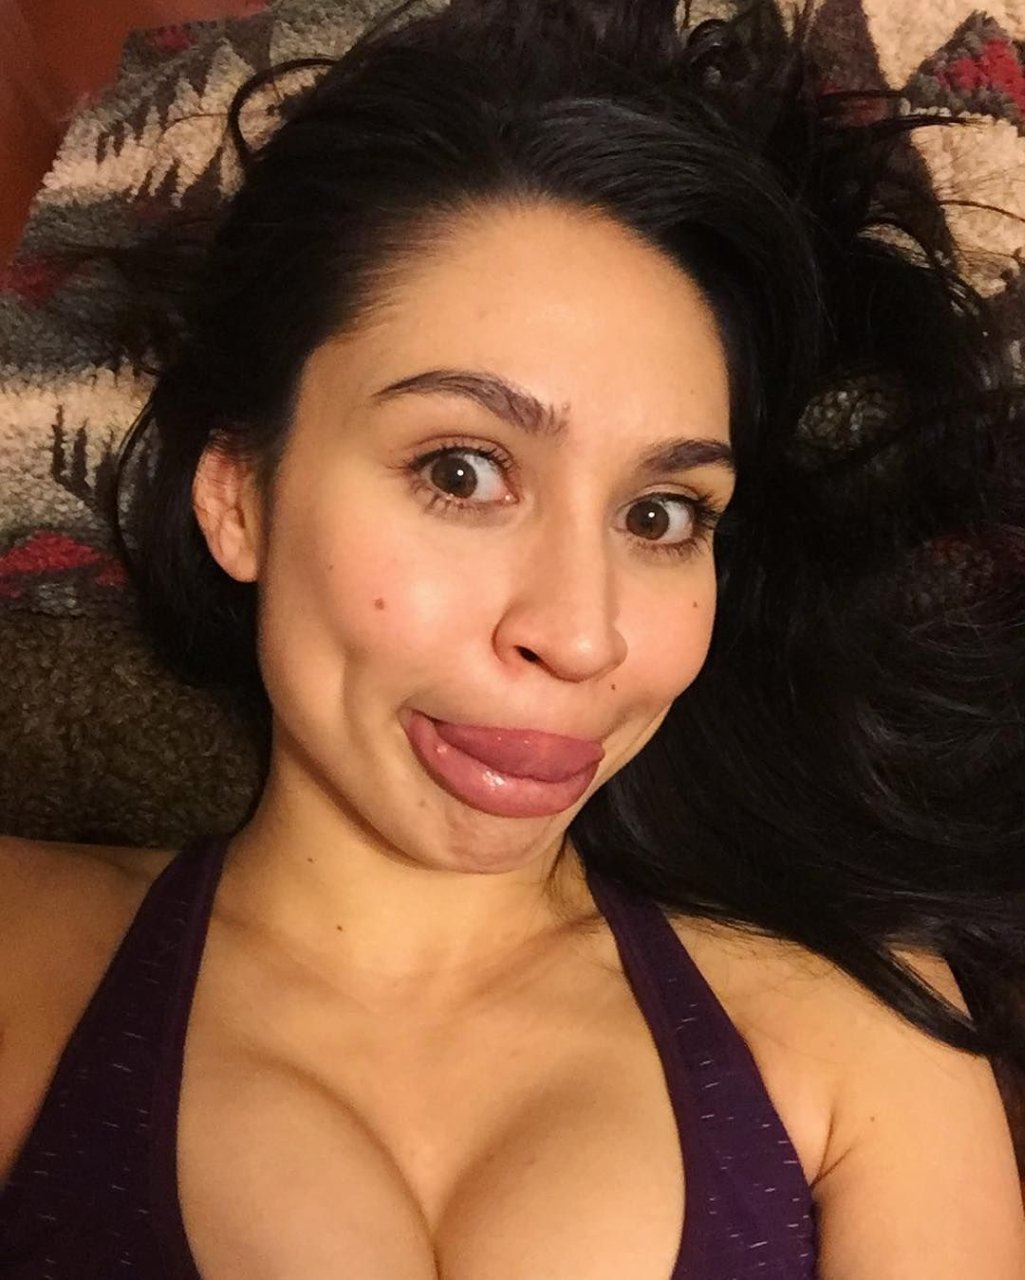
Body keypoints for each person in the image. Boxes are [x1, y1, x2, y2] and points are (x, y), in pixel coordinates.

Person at [1, 0, 1024, 1275]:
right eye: (461, 471)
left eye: (659, 514)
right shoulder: (24, 953)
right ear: (239, 495)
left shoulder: (859, 1021)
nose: (581, 635)